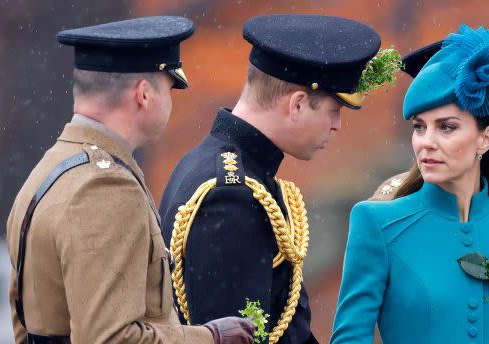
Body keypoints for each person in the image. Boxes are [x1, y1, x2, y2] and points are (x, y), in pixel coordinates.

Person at [6, 16, 254, 344]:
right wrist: (210, 338)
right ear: (144, 95)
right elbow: (110, 339)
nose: (171, 100)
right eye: (169, 88)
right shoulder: (106, 189)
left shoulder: (52, 167)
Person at [159, 14, 391, 344]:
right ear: (297, 104)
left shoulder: (222, 168)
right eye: (333, 109)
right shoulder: (231, 195)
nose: (337, 125)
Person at [331, 25, 489, 343]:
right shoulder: (377, 222)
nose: (426, 143)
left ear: (485, 138)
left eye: (446, 127)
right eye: (420, 127)